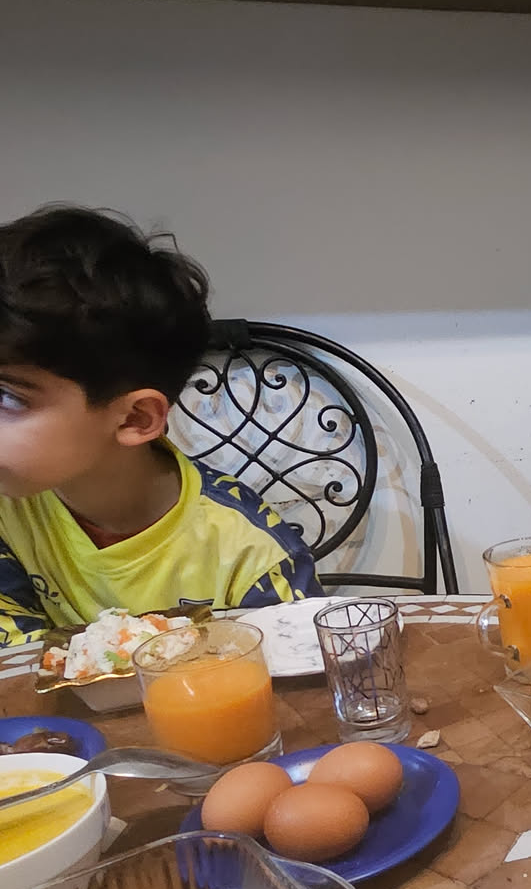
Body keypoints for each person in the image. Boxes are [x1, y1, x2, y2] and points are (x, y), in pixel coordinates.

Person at [0, 206, 318, 643]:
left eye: (8, 396)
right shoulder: (10, 507)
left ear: (135, 418)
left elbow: (297, 675)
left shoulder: (253, 557)